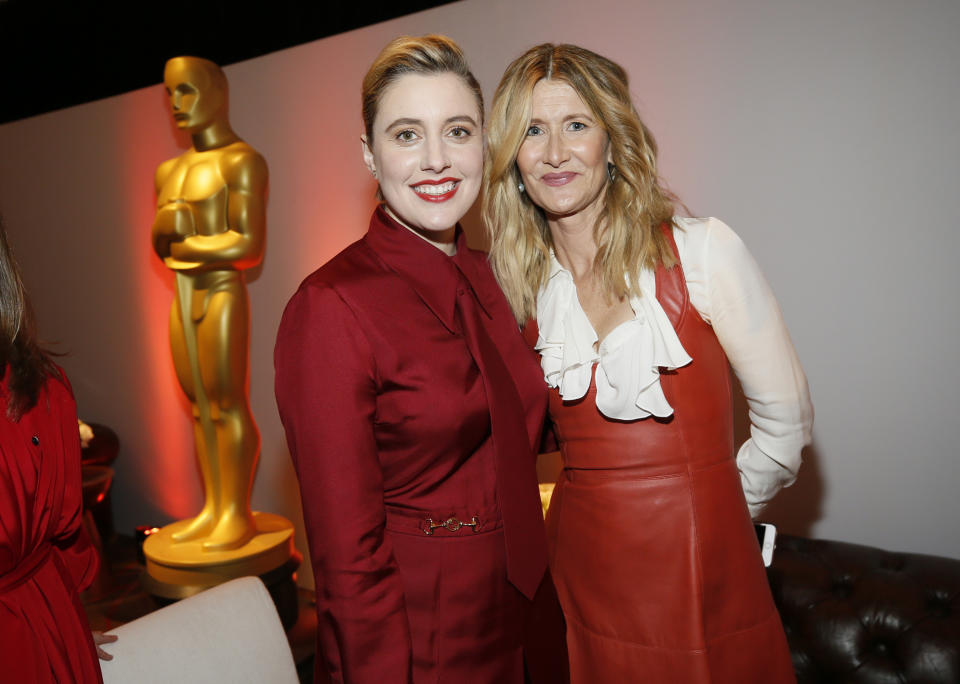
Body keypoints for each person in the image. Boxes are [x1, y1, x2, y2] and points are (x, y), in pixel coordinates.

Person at [484, 43, 813, 682]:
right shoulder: (522, 291)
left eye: (576, 125)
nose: (555, 151)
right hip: (578, 576)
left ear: (613, 140)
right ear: (512, 161)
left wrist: (713, 509)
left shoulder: (704, 251)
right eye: (532, 130)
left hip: (700, 575)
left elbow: (786, 432)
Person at [275, 36, 563, 684]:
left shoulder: (502, 279)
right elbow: (348, 558)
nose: (436, 159)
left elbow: (537, 427)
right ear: (370, 155)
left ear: (483, 146)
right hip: (419, 630)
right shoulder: (330, 307)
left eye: (456, 131)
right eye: (407, 135)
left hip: (530, 614)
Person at [152, 56, 267, 551]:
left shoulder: (240, 161)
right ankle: (214, 507)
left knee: (225, 401)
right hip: (184, 294)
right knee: (199, 406)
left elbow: (247, 244)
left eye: (188, 91)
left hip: (220, 290)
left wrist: (187, 241)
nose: (177, 104)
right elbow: (159, 244)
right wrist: (167, 230)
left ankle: (236, 512)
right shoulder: (169, 170)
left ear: (216, 93)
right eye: (170, 94)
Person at [0, 215, 116, 682]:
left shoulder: (40, 389)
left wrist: (67, 616)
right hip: (45, 619)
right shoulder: (41, 386)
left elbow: (65, 535)